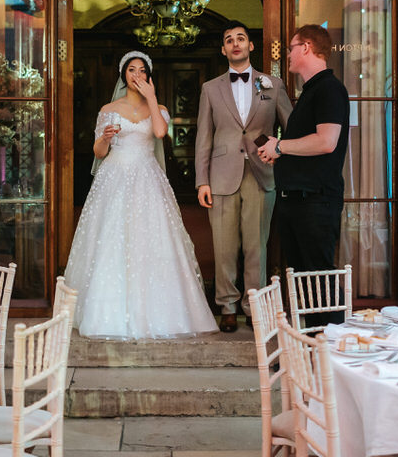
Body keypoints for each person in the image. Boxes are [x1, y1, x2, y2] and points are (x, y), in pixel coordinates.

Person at [64, 51, 218, 339]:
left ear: (148, 75)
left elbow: (160, 133)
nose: (136, 75)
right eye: (131, 70)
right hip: (114, 176)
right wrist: (105, 138)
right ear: (123, 75)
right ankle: (105, 313)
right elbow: (98, 153)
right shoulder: (108, 108)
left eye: (142, 70)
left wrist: (152, 96)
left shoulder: (157, 106)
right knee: (110, 237)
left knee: (152, 238)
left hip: (147, 177)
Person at [195, 20, 292, 333]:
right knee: (223, 247)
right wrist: (202, 180)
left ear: (251, 46)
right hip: (221, 176)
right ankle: (226, 305)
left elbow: (289, 130)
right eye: (228, 40)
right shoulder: (210, 89)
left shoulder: (272, 85)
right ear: (223, 49)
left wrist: (282, 157)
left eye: (241, 38)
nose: (235, 43)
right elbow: (203, 137)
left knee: (256, 247)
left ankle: (254, 306)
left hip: (262, 174)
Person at [257, 25, 350, 326]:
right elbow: (307, 147)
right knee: (305, 286)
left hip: (315, 203)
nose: (288, 55)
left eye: (291, 48)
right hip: (298, 201)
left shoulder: (329, 89)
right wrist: (279, 155)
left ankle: (329, 356)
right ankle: (311, 352)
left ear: (307, 47)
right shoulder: (311, 92)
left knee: (319, 283)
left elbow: (326, 141)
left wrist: (280, 146)